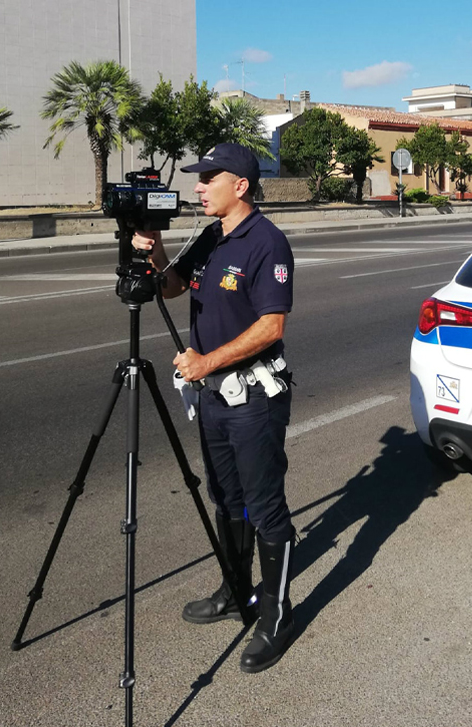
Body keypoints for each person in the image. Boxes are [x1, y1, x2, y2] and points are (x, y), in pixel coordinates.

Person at [131, 143, 297, 673]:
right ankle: (236, 589)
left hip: (252, 398)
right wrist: (155, 251)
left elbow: (271, 326)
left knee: (264, 504)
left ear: (241, 186)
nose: (199, 187)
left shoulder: (266, 242)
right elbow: (175, 284)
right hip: (213, 398)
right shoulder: (211, 235)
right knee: (226, 498)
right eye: (199, 178)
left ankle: (275, 614)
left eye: (209, 178)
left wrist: (207, 362)